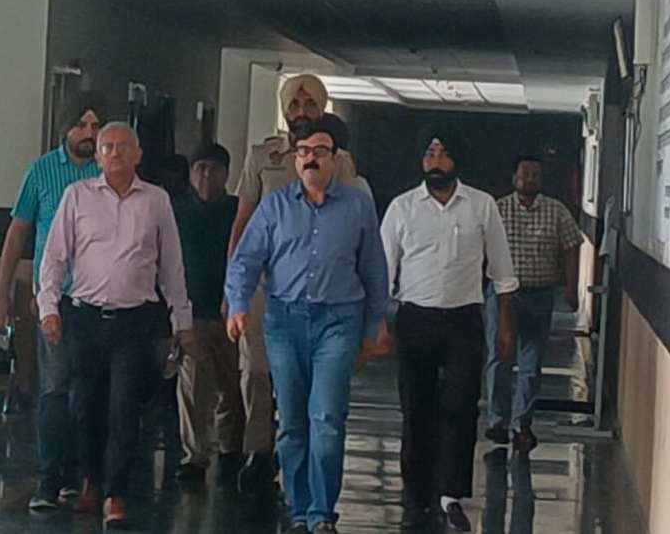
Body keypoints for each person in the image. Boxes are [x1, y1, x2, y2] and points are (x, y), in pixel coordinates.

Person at [225, 118, 390, 534]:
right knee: (292, 421)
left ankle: (322, 513)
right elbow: (245, 260)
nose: (310, 158)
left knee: (327, 418)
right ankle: (298, 510)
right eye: (303, 152)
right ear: (295, 160)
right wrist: (238, 305)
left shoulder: (358, 206)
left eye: (319, 151)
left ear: (335, 159)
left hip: (339, 321)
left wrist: (377, 322)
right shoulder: (274, 207)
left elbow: (374, 267)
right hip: (284, 322)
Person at [37, 122, 195, 527]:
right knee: (85, 406)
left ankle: (116, 492)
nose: (115, 153)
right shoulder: (77, 196)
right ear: (98, 156)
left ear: (138, 154)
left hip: (135, 321)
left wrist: (182, 318)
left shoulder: (156, 201)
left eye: (123, 146)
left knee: (125, 407)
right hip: (85, 318)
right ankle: (91, 479)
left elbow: (171, 266)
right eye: (107, 147)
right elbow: (54, 258)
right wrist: (48, 308)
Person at [379, 125, 518, 532]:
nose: (434, 161)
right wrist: (378, 326)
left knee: (460, 407)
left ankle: (451, 495)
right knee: (416, 408)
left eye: (442, 153)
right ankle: (417, 492)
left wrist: (504, 327)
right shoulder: (402, 208)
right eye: (429, 153)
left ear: (458, 160)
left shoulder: (481, 206)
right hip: (415, 319)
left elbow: (502, 273)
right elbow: (382, 271)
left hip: (464, 322)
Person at [0, 93, 106, 512]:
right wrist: (2, 293)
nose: (89, 133)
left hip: (96, 298)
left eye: (96, 126)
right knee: (55, 387)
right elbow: (18, 233)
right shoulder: (40, 172)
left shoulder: (106, 172)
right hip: (52, 297)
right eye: (82, 125)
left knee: (86, 389)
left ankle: (80, 475)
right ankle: (50, 477)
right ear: (65, 128)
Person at [484, 155, 583, 451]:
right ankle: (498, 421)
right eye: (524, 174)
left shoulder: (556, 211)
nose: (529, 179)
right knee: (499, 359)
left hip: (539, 296)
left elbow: (571, 247)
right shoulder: (497, 209)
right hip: (502, 296)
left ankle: (521, 424)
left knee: (531, 363)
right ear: (513, 177)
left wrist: (572, 287)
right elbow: (480, 249)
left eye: (535, 174)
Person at [171, 144, 244, 484]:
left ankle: (230, 450)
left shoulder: (238, 210)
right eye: (199, 167)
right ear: (190, 173)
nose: (206, 175)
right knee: (192, 388)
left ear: (226, 174)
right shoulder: (176, 211)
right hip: (191, 313)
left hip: (231, 313)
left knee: (234, 386)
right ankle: (194, 456)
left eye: (214, 168)